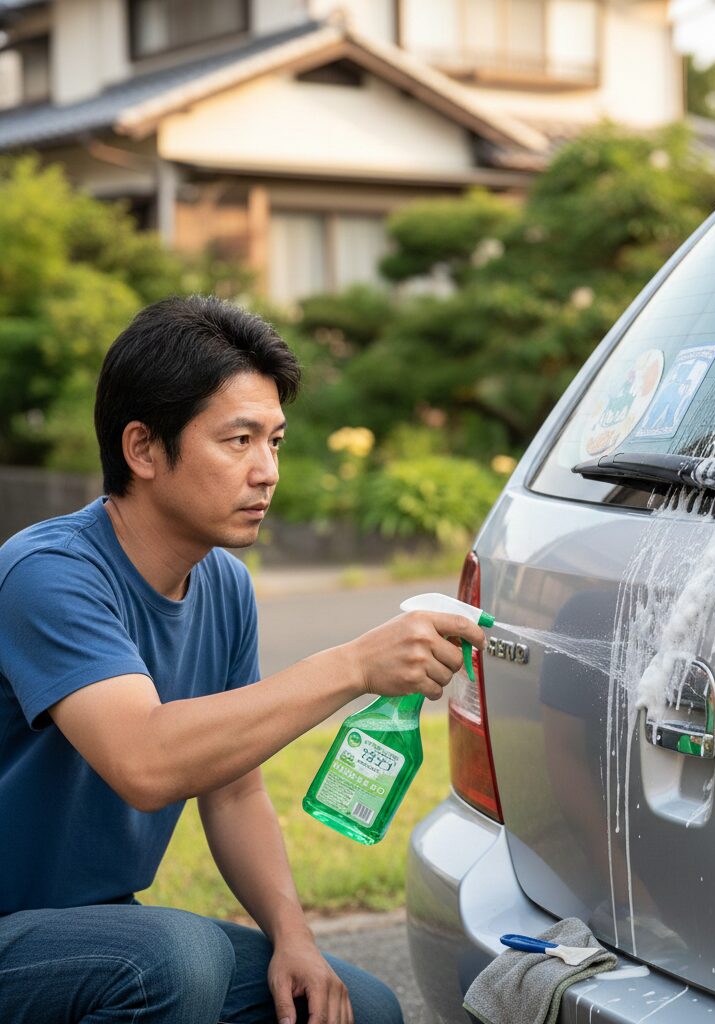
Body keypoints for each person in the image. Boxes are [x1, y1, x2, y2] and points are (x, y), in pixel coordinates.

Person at [0, 295, 484, 1024]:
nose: (267, 472)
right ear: (143, 450)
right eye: (239, 441)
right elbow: (146, 763)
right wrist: (354, 666)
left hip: (97, 931)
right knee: (172, 960)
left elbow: (233, 793)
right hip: (25, 937)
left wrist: (294, 940)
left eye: (276, 441)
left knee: (361, 1009)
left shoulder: (223, 582)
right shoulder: (48, 574)